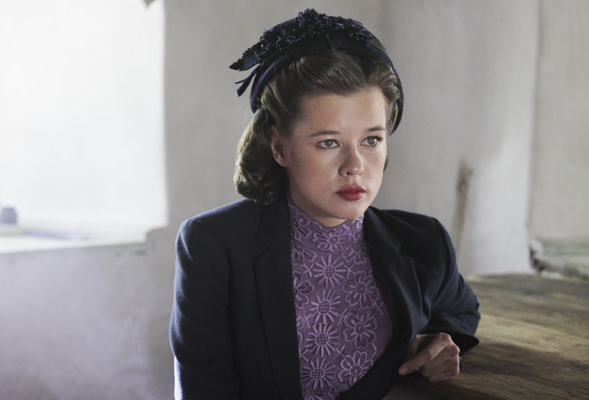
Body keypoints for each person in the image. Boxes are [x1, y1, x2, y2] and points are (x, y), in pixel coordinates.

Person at [170, 9, 480, 400]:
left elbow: (461, 314)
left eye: (371, 140)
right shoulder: (214, 244)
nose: (355, 166)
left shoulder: (424, 241)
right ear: (280, 147)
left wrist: (438, 341)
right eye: (328, 143)